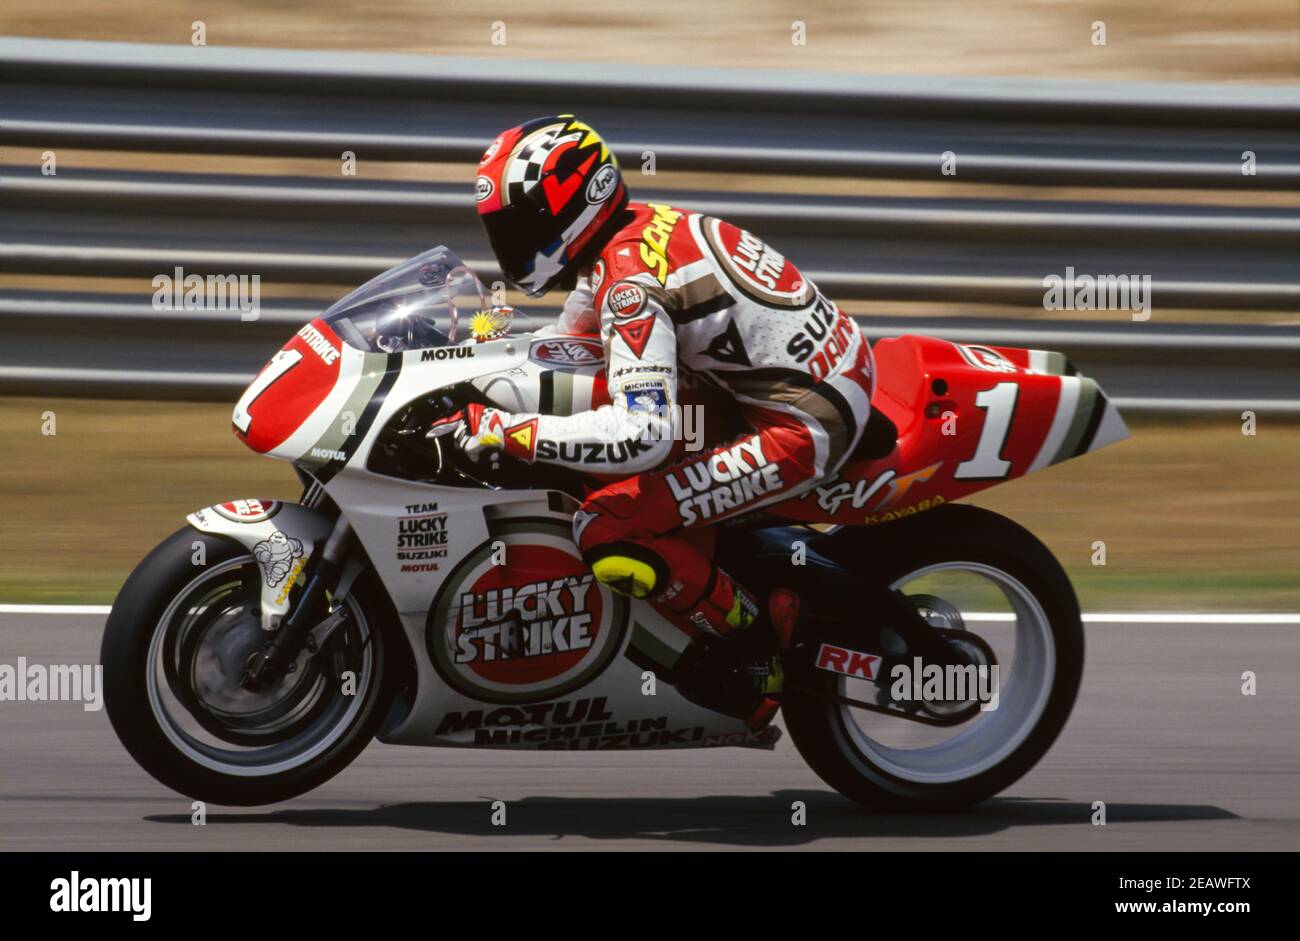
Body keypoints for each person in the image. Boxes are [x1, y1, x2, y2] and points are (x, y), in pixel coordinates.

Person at [432, 115, 875, 727]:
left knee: (607, 525)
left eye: (523, 223)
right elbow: (558, 347)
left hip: (802, 422)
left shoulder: (628, 285)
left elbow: (643, 434)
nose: (510, 242)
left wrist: (509, 432)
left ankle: (751, 653)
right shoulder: (618, 246)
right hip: (788, 376)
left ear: (577, 203)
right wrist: (462, 369)